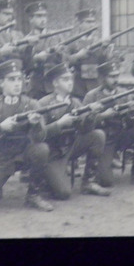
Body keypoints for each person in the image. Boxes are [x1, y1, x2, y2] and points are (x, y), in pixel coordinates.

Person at [0, 59, 54, 212]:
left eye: (19, 79)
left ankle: (33, 195)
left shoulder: (31, 104)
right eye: (11, 79)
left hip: (23, 153)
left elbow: (41, 137)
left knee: (42, 149)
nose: (17, 84)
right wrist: (0, 128)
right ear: (1, 83)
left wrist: (35, 124)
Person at [38, 63, 111, 197]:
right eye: (65, 79)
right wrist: (59, 124)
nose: (70, 83)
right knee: (63, 193)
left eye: (71, 79)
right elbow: (39, 135)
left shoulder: (76, 102)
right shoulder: (43, 103)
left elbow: (85, 130)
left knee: (97, 135)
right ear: (55, 83)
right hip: (53, 152)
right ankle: (46, 178)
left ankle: (89, 181)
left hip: (71, 146)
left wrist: (90, 116)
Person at [83, 61, 134, 187]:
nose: (115, 80)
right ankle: (102, 167)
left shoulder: (123, 93)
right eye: (112, 77)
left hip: (121, 135)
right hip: (105, 141)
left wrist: (132, 113)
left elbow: (131, 123)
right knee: (106, 181)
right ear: (102, 78)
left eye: (117, 76)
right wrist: (103, 116)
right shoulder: (92, 96)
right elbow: (85, 124)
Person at [24, 1, 67, 100]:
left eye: (44, 16)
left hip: (54, 85)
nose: (43, 20)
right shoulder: (26, 40)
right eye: (39, 16)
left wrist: (60, 54)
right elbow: (24, 65)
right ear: (31, 19)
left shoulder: (57, 37)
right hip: (36, 85)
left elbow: (66, 61)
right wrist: (36, 59)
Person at [68, 9, 113, 99]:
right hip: (79, 86)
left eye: (93, 22)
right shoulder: (72, 42)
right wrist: (77, 56)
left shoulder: (99, 42)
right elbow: (65, 62)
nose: (91, 25)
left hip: (96, 84)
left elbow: (105, 63)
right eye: (88, 22)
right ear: (80, 24)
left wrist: (105, 50)